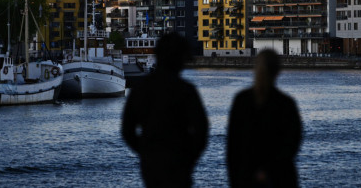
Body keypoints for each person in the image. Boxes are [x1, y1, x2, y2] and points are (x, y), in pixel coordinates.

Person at [122, 32, 209, 188]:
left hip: (151, 165)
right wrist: (189, 157)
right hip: (180, 164)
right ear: (180, 60)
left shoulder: (140, 89)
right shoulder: (187, 91)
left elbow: (127, 131)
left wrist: (145, 151)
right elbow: (202, 131)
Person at [227, 49, 303, 188]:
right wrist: (270, 168)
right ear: (278, 71)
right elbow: (292, 144)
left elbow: (233, 147)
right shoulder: (286, 104)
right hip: (281, 177)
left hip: (246, 176)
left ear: (255, 68)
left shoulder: (242, 101)